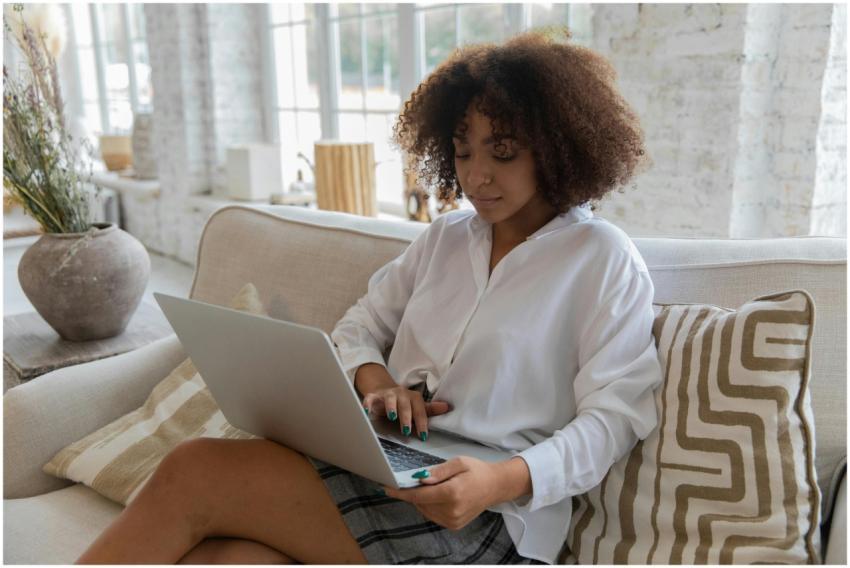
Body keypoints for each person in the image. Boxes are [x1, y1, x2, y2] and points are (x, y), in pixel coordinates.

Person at [76, 28, 662, 565]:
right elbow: (359, 326)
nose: (476, 175)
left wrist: (501, 479)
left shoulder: (602, 259)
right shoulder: (444, 239)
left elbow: (616, 417)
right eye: (462, 151)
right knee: (229, 559)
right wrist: (376, 381)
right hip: (382, 462)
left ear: (558, 149)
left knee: (194, 470)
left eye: (502, 151)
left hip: (488, 512)